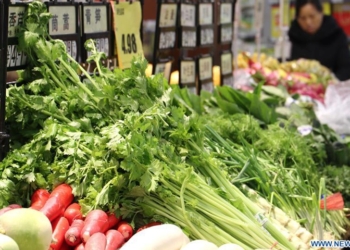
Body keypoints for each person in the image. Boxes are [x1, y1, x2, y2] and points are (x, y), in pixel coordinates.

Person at [288, 0, 350, 81]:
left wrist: (333, 80)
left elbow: (346, 68)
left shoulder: (336, 35)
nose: (308, 22)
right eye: (303, 18)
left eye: (312, 16)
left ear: (321, 13)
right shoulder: (291, 37)